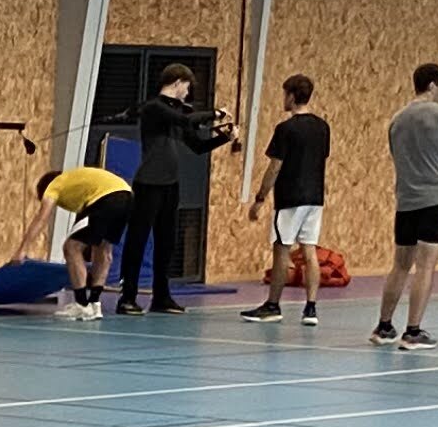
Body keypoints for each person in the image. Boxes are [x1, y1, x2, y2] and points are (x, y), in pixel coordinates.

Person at [118, 65, 227, 312]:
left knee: (166, 242)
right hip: (149, 184)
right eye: (187, 87)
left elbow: (198, 146)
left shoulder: (177, 114)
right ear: (178, 82)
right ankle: (128, 297)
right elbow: (185, 119)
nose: (187, 93)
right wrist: (216, 113)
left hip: (170, 185)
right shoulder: (154, 108)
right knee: (138, 239)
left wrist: (225, 138)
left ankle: (161, 297)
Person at [234, 75, 329, 325]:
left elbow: (275, 166)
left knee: (281, 251)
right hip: (315, 198)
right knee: (309, 251)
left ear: (291, 96)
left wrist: (260, 198)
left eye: (284, 94)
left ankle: (273, 305)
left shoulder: (285, 129)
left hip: (290, 198)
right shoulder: (322, 127)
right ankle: (311, 308)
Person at [374, 65, 438, 348]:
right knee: (425, 266)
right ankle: (413, 330)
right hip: (434, 199)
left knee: (400, 265)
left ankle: (384, 326)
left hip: (406, 200)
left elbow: (396, 157)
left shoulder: (397, 120)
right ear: (433, 86)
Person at [38, 153, 134, 320]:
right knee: (104, 249)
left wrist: (21, 250)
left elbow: (41, 218)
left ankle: (82, 305)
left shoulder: (54, 186)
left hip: (106, 199)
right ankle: (95, 305)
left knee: (71, 247)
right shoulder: (78, 185)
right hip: (127, 196)